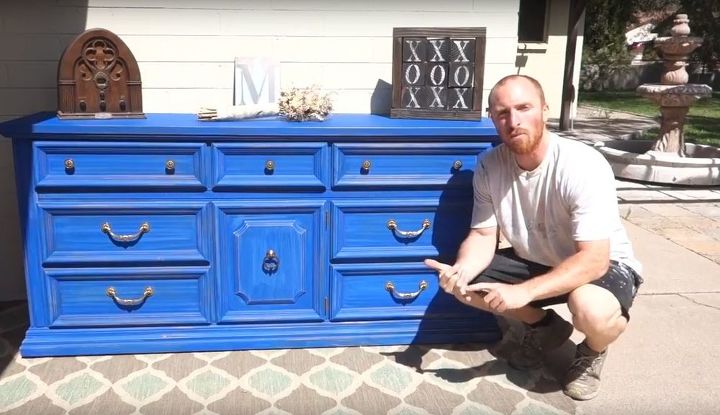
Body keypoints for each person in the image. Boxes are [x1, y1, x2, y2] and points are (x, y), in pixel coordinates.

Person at [424, 74, 643, 401]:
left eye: (523, 108)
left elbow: (594, 259)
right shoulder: (488, 165)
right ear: (493, 118)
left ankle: (593, 350)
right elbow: (483, 235)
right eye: (502, 113)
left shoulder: (582, 165)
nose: (513, 121)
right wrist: (462, 270)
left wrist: (521, 293)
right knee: (467, 289)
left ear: (544, 109)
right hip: (538, 259)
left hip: (604, 265)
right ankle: (546, 328)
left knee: (590, 309)